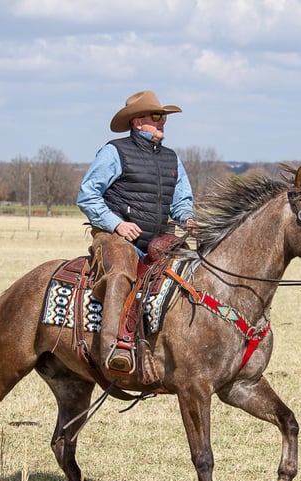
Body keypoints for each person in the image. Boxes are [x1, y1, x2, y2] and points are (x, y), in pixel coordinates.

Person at [77, 90, 194, 374]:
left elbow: (181, 201)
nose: (162, 122)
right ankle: (115, 348)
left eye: (164, 117)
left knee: (195, 270)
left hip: (159, 238)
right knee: (119, 275)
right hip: (115, 237)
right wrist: (116, 224)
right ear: (137, 122)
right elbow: (87, 194)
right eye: (156, 117)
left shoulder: (171, 158)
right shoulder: (114, 152)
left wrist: (188, 219)